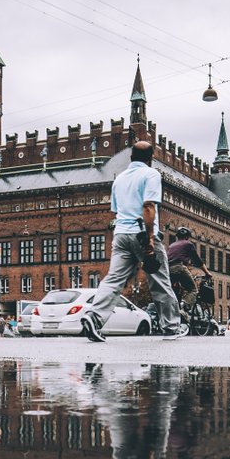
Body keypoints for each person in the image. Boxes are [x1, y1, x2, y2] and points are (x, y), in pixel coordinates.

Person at [79, 140, 185, 342]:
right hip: (142, 234)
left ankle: (94, 317)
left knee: (113, 279)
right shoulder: (151, 174)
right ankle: (171, 326)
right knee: (160, 281)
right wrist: (151, 239)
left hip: (120, 235)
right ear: (151, 158)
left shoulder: (119, 179)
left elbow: (117, 211)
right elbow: (148, 207)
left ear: (131, 157)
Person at [167, 225, 208, 316]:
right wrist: (207, 273)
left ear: (177, 236)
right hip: (179, 267)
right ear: (187, 237)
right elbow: (198, 261)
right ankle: (184, 307)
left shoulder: (171, 245)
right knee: (193, 290)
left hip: (168, 270)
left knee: (173, 290)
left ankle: (173, 308)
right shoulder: (188, 244)